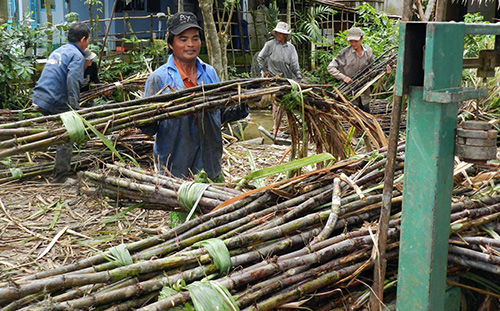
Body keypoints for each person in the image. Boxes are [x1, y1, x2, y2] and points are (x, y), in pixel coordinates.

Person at [142, 12, 249, 181]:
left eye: (195, 38)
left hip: (209, 164)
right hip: (175, 168)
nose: (190, 44)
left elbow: (220, 115)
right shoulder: (158, 79)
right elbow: (149, 128)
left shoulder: (210, 73)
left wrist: (245, 103)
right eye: (183, 39)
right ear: (171, 44)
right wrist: (144, 118)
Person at [32, 22, 90, 182]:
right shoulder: (78, 56)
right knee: (67, 134)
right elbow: (73, 82)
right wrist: (74, 110)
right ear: (84, 39)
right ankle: (61, 176)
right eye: (88, 39)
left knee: (54, 133)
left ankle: (45, 163)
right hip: (54, 99)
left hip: (40, 96)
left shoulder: (59, 51)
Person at [256, 21, 302, 137]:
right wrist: (265, 70)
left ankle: (290, 127)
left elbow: (294, 64)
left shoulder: (291, 48)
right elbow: (260, 58)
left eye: (281, 33)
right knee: (276, 103)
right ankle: (276, 128)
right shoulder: (270, 45)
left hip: (287, 80)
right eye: (277, 33)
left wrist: (299, 77)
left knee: (288, 104)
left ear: (285, 35)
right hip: (273, 79)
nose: (278, 35)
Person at [327, 26, 373, 113]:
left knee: (367, 115)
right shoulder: (344, 53)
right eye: (351, 41)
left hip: (365, 91)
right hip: (350, 92)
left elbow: (372, 68)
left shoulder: (368, 52)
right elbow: (330, 67)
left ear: (361, 39)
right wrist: (343, 77)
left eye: (356, 41)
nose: (353, 44)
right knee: (354, 118)